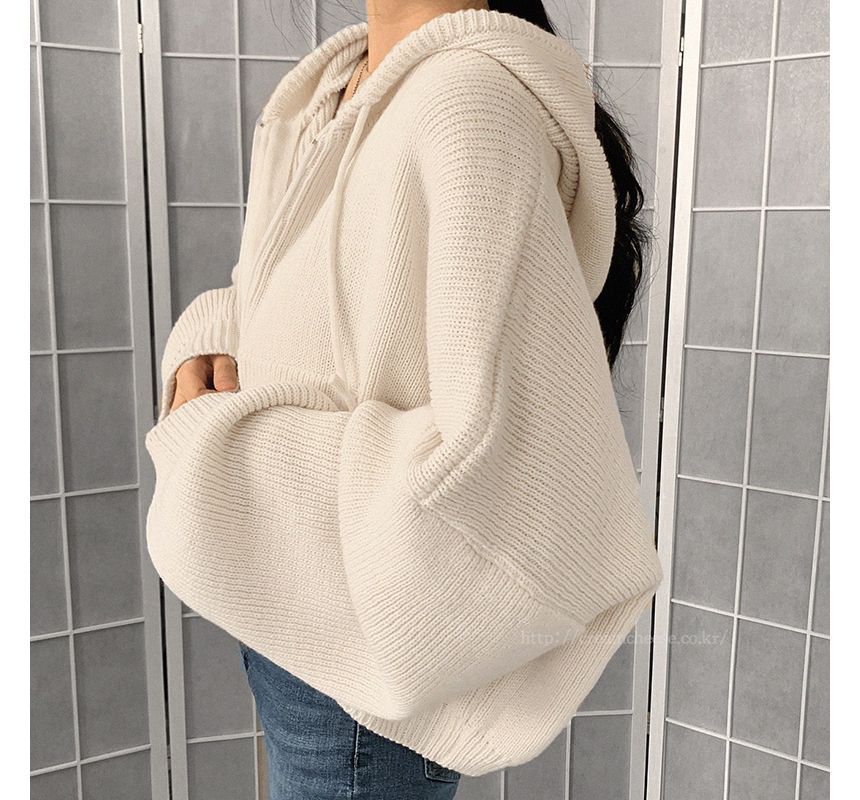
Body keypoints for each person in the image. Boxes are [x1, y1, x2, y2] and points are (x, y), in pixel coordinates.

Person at [143, 1, 663, 797]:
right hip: (299, 621)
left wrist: (218, 450)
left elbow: (510, 481)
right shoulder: (331, 95)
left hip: (364, 686)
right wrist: (205, 349)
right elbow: (275, 293)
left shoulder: (469, 105)